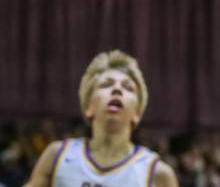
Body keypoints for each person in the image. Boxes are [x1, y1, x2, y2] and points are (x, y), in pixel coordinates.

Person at [24, 50, 178, 187]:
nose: (117, 89)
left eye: (128, 87)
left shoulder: (157, 173)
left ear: (137, 114)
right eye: (106, 84)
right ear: (88, 107)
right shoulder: (57, 156)